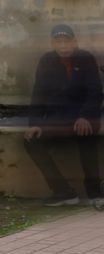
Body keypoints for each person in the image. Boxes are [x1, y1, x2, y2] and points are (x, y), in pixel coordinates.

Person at [24, 23, 103, 205]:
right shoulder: (46, 60)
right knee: (31, 141)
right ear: (52, 44)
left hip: (84, 117)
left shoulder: (86, 58)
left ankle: (94, 191)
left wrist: (85, 116)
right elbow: (38, 94)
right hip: (57, 119)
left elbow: (95, 91)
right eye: (58, 42)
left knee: (87, 134)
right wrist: (35, 123)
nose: (63, 46)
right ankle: (63, 191)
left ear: (74, 42)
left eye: (66, 41)